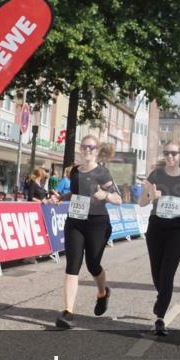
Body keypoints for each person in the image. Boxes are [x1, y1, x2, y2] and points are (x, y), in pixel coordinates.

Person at [57, 136, 122, 329]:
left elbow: (119, 198)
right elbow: (75, 193)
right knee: (72, 265)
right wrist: (61, 197)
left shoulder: (102, 172)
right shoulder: (75, 171)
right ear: (80, 149)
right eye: (84, 147)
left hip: (97, 224)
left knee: (93, 264)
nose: (87, 150)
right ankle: (68, 312)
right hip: (75, 223)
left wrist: (106, 195)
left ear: (96, 151)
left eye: (91, 147)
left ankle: (103, 293)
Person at [139, 143, 180, 336]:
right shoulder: (156, 175)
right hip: (156, 227)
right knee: (157, 273)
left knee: (168, 273)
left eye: (173, 153)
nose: (170, 156)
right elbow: (141, 202)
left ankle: (160, 318)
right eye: (167, 153)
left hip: (177, 229)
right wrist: (151, 195)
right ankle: (162, 296)